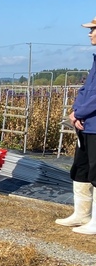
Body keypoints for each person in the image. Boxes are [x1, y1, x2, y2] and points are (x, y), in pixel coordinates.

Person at [57, 17, 96, 234]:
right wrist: (74, 111)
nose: (89, 34)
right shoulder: (95, 60)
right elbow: (86, 91)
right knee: (81, 167)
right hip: (86, 124)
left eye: (92, 30)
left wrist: (80, 112)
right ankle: (82, 214)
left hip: (94, 123)